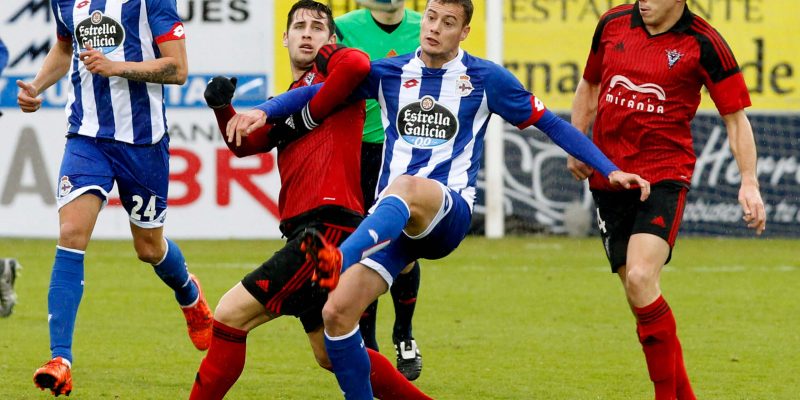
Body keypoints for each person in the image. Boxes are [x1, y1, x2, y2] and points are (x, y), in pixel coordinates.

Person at [229, 1, 652, 398]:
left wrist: (608, 168)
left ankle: (340, 257)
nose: (434, 27)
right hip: (394, 225)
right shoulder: (390, 74)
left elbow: (551, 125)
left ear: (464, 31)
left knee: (408, 187)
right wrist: (267, 110)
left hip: (447, 213)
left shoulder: (486, 79)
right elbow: (317, 91)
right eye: (430, 16)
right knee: (337, 315)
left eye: (447, 22)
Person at [189, 2, 431, 399]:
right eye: (298, 26)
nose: (307, 32)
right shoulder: (290, 95)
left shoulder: (339, 77)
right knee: (332, 354)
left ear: (331, 40)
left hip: (327, 229)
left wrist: (315, 94)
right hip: (311, 230)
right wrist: (222, 109)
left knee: (231, 315)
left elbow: (356, 65)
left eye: (318, 27)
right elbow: (246, 145)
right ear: (283, 38)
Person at [566, 1, 766, 399]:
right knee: (640, 294)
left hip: (663, 178)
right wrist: (577, 142)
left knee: (641, 278)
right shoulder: (612, 23)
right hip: (609, 178)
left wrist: (749, 181)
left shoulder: (705, 42)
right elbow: (589, 84)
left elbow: (735, 117)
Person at [17, 1, 213, 396]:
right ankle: (61, 360)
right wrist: (37, 85)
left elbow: (178, 68)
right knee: (71, 234)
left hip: (144, 143)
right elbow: (64, 46)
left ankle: (189, 294)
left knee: (149, 247)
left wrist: (115, 66)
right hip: (87, 137)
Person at [336, 0, 425, 380]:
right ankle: (368, 344)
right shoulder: (341, 28)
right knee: (364, 250)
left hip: (405, 155)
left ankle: (404, 332)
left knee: (404, 249)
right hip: (356, 151)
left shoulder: (428, 26)